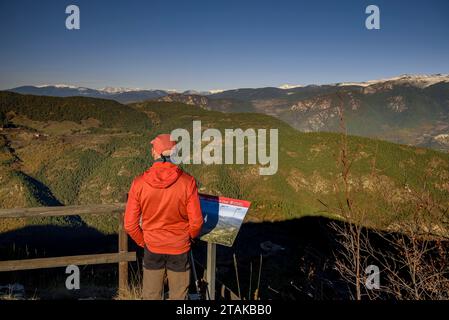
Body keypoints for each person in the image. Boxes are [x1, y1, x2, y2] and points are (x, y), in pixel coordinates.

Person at [124, 133, 204, 300]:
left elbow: (130, 224)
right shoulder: (187, 182)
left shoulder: (138, 183)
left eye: (153, 149)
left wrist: (144, 241)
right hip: (179, 247)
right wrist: (187, 238)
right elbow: (196, 222)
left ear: (155, 153)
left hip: (152, 246)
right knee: (179, 296)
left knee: (151, 295)